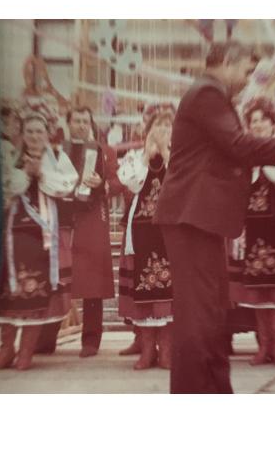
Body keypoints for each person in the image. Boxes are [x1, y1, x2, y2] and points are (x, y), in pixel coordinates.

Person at [153, 41, 275, 394]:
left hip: (199, 218)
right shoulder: (207, 94)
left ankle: (214, 389)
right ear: (227, 61)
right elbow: (238, 146)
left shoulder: (210, 94)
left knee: (212, 313)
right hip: (191, 217)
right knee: (198, 317)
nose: (248, 79)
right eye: (246, 71)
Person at [0, 112, 78, 371]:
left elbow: (67, 185)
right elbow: (3, 186)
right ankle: (7, 349)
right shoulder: (11, 157)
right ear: (22, 134)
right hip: (12, 235)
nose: (35, 136)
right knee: (9, 291)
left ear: (48, 134)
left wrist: (41, 174)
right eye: (30, 131)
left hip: (43, 238)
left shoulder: (58, 157)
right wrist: (26, 174)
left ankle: (26, 352)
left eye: (39, 131)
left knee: (36, 292)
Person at [35, 107, 122, 357]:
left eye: (85, 121)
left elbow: (118, 183)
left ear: (91, 124)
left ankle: (91, 340)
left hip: (91, 219)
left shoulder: (105, 151)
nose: (81, 125)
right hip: (59, 219)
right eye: (77, 120)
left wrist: (102, 184)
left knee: (92, 280)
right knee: (56, 278)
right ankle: (46, 339)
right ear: (69, 123)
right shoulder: (56, 151)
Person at [229, 96, 275, 368]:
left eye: (262, 120)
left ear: (273, 123)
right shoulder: (246, 156)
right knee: (258, 292)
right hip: (254, 230)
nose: (258, 125)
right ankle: (263, 347)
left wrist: (264, 157)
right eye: (253, 121)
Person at [117, 103, 176, 369]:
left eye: (167, 125)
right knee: (144, 291)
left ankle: (166, 351)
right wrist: (147, 156)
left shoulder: (180, 156)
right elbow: (131, 183)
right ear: (148, 130)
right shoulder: (135, 157)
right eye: (158, 125)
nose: (163, 130)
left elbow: (181, 182)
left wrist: (166, 153)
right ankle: (147, 351)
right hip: (141, 233)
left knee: (168, 292)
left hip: (168, 234)